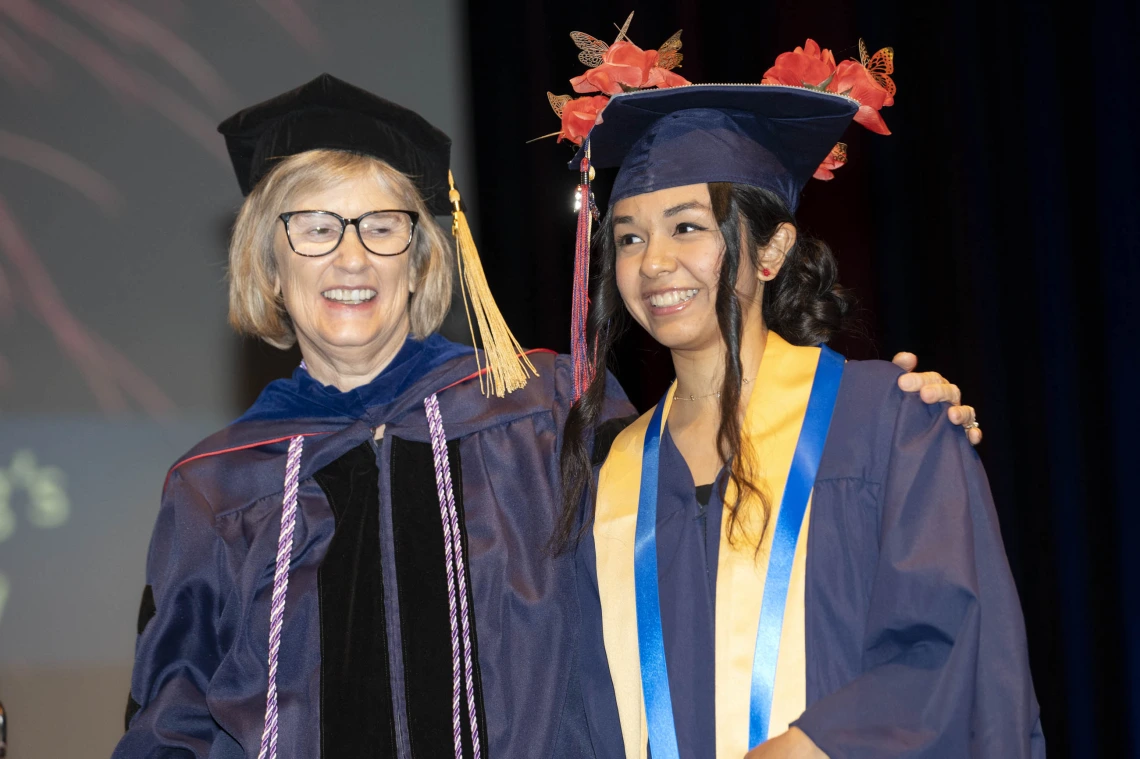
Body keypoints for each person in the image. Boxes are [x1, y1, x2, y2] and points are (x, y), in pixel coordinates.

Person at [114, 73, 980, 758]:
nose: (352, 256)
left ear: (422, 261)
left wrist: (879, 417)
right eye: (313, 228)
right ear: (268, 261)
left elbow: (717, 531)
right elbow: (171, 724)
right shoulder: (217, 487)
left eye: (384, 226)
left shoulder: (546, 407)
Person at [553, 34, 1043, 759]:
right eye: (627, 238)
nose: (653, 262)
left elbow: (960, 655)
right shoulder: (610, 473)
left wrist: (810, 746)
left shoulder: (888, 425)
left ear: (774, 250)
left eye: (687, 226)